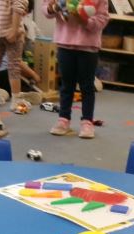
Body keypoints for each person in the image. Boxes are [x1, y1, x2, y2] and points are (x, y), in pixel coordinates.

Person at [43, 0, 109, 139]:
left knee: (87, 86)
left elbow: (102, 20)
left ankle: (87, 122)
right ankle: (63, 119)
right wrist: (51, 8)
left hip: (88, 46)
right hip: (65, 44)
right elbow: (46, 9)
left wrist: (84, 21)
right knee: (66, 85)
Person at [0, 0, 32, 112]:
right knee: (14, 66)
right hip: (11, 31)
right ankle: (16, 100)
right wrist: (14, 29)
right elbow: (19, 5)